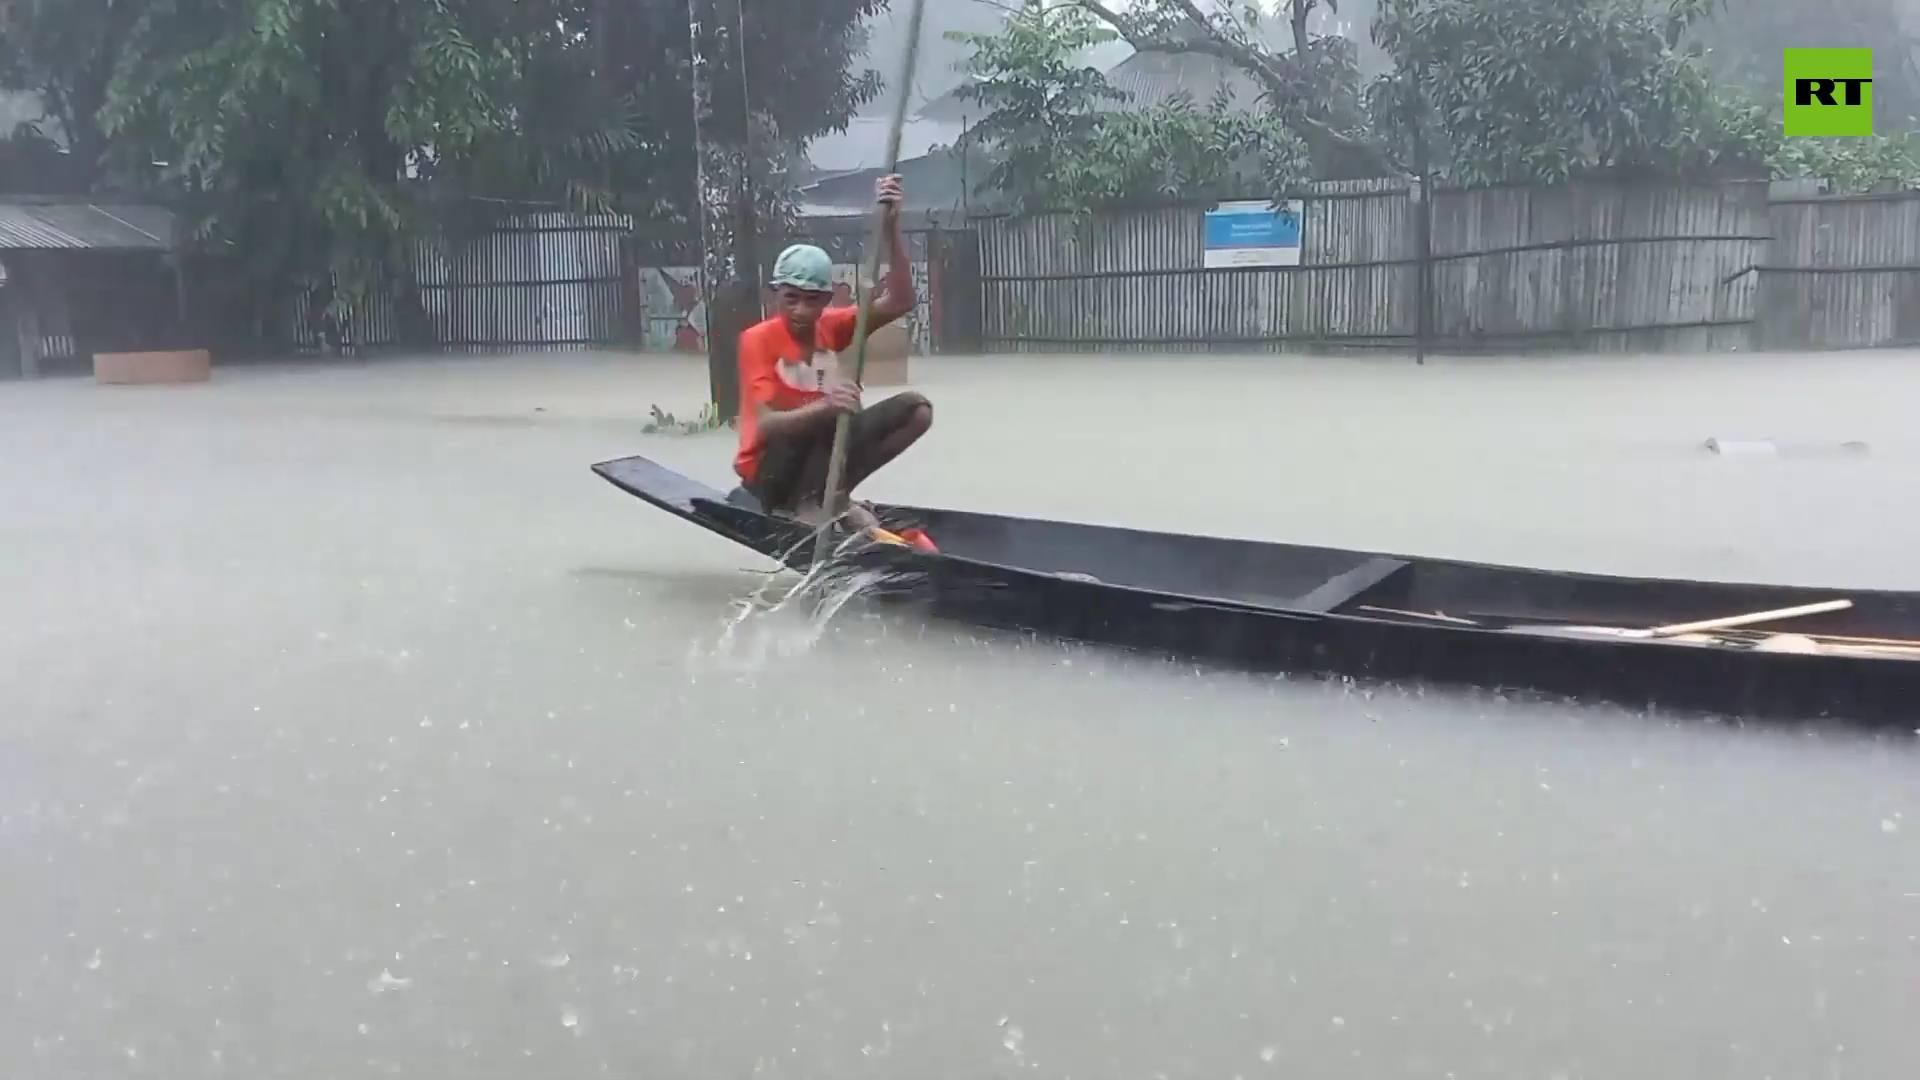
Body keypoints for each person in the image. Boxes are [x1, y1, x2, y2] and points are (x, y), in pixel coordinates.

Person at [732, 173, 932, 529]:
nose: (801, 311)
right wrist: (827, 404)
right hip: (769, 475)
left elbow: (901, 300)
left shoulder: (830, 325)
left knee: (916, 410)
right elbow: (764, 426)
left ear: (826, 300)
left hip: (819, 465)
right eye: (791, 299)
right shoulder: (757, 339)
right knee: (826, 414)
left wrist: (891, 227)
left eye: (812, 301)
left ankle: (835, 494)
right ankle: (810, 504)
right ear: (776, 295)